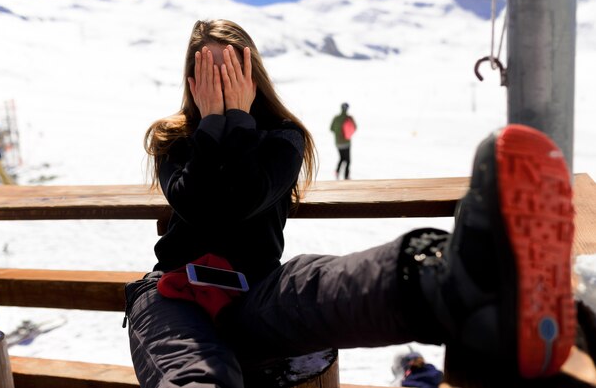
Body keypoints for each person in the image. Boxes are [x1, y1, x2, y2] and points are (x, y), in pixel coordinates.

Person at [125, 19, 581, 388]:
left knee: (318, 284)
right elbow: (198, 206)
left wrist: (239, 122)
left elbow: (247, 199)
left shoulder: (283, 137)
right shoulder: (173, 137)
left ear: (252, 72)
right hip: (172, 293)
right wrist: (213, 125)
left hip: (255, 290)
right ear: (191, 78)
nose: (221, 82)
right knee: (193, 374)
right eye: (209, 71)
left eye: (232, 70)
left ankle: (460, 284)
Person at [330, 102, 356, 180]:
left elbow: (331, 128)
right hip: (346, 143)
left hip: (338, 143)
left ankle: (337, 171)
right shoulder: (349, 118)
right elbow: (355, 127)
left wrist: (338, 133)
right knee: (348, 160)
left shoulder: (336, 118)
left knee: (342, 158)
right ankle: (346, 176)